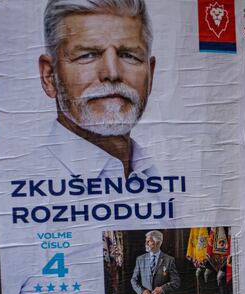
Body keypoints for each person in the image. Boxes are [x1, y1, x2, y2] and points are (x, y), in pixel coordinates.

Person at [38, 0, 157, 179]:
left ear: (150, 74)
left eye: (128, 55)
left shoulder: (164, 182)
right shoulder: (25, 179)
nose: (112, 73)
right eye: (88, 55)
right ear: (49, 76)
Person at [130, 230, 181, 294]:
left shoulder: (169, 260)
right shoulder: (140, 259)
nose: (146, 244)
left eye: (149, 241)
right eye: (146, 241)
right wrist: (142, 292)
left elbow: (176, 281)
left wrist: (163, 289)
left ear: (158, 243)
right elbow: (133, 280)